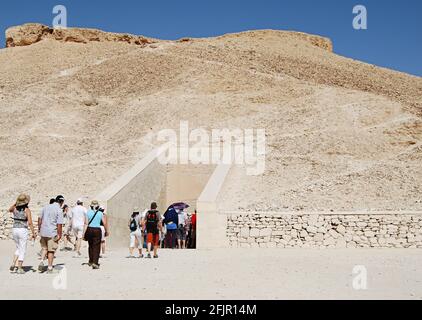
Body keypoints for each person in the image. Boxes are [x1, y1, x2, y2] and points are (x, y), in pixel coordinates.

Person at [9, 194, 36, 274]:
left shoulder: (14, 208)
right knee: (23, 249)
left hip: (15, 229)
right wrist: (33, 232)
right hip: (22, 230)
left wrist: (16, 203)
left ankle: (14, 263)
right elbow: (30, 222)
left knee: (18, 247)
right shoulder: (27, 210)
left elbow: (9, 210)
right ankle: (19, 267)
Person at [38, 195, 65, 274]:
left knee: (44, 248)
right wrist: (59, 235)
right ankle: (50, 268)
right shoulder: (59, 210)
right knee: (51, 251)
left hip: (43, 231)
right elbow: (59, 224)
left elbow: (40, 218)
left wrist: (40, 228)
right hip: (52, 232)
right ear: (61, 202)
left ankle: (42, 261)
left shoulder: (45, 207)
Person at [83, 200, 109, 269]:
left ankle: (91, 261)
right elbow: (104, 223)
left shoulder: (88, 213)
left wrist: (83, 234)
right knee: (97, 246)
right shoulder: (100, 213)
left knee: (90, 245)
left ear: (91, 206)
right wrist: (106, 231)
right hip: (97, 230)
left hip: (89, 229)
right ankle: (95, 262)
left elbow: (85, 224)